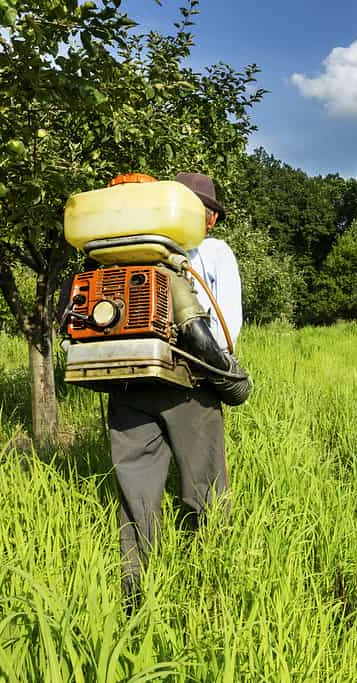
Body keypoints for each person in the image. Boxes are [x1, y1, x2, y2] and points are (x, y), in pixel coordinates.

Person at [108, 172, 249, 604]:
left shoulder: (122, 252)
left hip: (129, 382)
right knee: (205, 488)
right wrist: (221, 370)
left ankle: (134, 593)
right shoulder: (214, 252)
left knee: (136, 496)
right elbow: (226, 329)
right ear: (207, 218)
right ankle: (214, 587)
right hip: (191, 384)